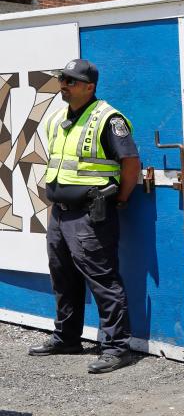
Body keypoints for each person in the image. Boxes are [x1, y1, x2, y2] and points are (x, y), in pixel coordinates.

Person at [28, 59, 140, 374]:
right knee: (62, 278)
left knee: (103, 280)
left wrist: (120, 198)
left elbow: (130, 162)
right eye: (63, 79)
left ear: (89, 87)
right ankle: (67, 338)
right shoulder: (57, 119)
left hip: (90, 215)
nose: (64, 85)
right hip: (60, 215)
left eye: (72, 81)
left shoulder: (108, 118)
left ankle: (117, 347)